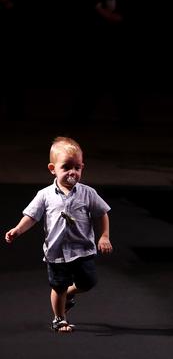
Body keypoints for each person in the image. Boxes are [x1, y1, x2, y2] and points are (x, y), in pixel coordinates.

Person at [4, 136, 113, 333]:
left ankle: (70, 294)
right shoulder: (44, 195)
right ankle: (60, 319)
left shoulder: (88, 193)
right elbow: (31, 216)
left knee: (88, 282)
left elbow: (102, 213)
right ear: (52, 169)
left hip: (82, 250)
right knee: (58, 286)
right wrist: (18, 229)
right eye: (66, 167)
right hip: (56, 252)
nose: (73, 172)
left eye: (77, 167)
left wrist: (104, 236)